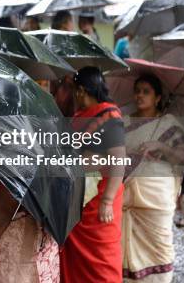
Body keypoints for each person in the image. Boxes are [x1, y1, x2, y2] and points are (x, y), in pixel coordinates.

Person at [60, 66, 126, 283]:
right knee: (75, 260)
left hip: (99, 201)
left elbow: (118, 159)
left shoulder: (110, 116)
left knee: (101, 259)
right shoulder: (80, 116)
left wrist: (107, 200)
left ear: (81, 91)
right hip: (78, 201)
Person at [121, 74, 184, 282]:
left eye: (146, 91)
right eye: (137, 90)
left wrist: (160, 147)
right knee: (124, 247)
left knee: (160, 246)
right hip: (127, 193)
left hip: (157, 197)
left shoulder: (168, 124)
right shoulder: (124, 122)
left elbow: (183, 157)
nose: (139, 95)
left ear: (158, 97)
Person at [0, 161, 59, 282]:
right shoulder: (58, 153)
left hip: (11, 254)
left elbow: (6, 207)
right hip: (44, 257)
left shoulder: (23, 152)